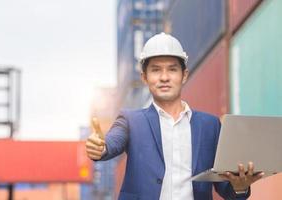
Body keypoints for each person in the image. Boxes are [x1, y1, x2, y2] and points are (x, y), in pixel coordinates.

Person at [85, 32, 263, 200]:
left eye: (172, 70)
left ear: (184, 75)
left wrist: (240, 186)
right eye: (155, 70)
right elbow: (111, 143)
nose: (164, 77)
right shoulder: (130, 120)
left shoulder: (210, 125)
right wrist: (101, 148)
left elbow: (226, 188)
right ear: (145, 77)